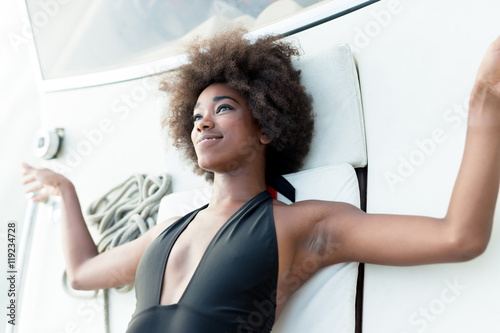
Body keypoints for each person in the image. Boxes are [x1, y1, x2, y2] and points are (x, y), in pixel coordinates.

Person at [22, 29, 500, 333]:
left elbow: (458, 237)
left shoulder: (300, 225)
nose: (203, 124)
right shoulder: (164, 234)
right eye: (196, 116)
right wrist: (65, 190)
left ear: (267, 128)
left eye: (224, 109)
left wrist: (484, 102)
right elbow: (84, 273)